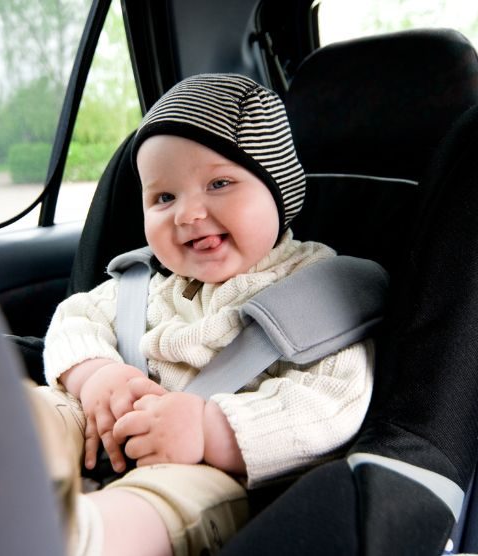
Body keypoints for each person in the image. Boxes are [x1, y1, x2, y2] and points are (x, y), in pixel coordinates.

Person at [31, 73, 374, 556]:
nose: (187, 214)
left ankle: (76, 538)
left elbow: (331, 403)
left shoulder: (317, 292)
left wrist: (207, 431)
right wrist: (96, 377)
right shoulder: (147, 283)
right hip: (111, 428)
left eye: (219, 183)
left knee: (165, 506)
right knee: (47, 408)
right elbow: (76, 317)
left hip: (215, 471)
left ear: (279, 191)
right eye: (163, 197)